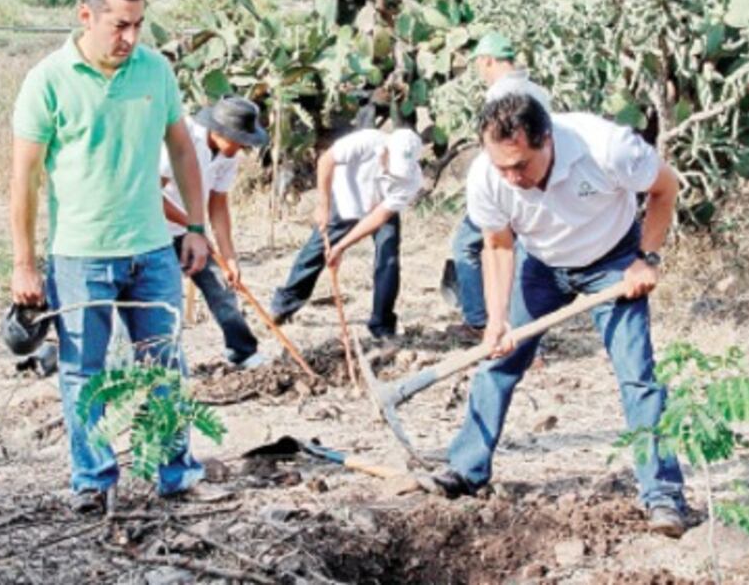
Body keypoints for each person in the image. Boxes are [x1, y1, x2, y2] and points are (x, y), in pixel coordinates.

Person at [430, 93, 689, 539]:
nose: (511, 178)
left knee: (637, 377)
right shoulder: (486, 178)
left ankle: (662, 494)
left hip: (612, 262)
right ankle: (466, 469)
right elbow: (497, 244)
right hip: (541, 264)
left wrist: (647, 258)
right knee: (499, 361)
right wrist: (496, 320)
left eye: (521, 166)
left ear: (547, 140)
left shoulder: (607, 147)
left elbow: (666, 187)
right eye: (501, 168)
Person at [9, 0, 211, 512]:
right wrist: (24, 263)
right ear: (85, 14)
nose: (131, 37)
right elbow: (24, 178)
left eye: (139, 24)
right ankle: (94, 482)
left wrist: (195, 226)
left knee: (166, 365)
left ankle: (175, 474)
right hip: (79, 257)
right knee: (83, 374)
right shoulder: (47, 80)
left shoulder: (154, 71)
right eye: (119, 25)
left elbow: (183, 151)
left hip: (151, 251)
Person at [270, 128, 422, 340]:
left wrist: (342, 247)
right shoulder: (366, 141)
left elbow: (378, 217)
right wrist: (323, 205)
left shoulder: (412, 180)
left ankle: (382, 325)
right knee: (315, 251)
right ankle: (282, 307)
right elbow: (326, 161)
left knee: (388, 261)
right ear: (385, 151)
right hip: (344, 201)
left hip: (378, 210)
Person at [449, 31, 551, 337]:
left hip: (504, 186)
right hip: (536, 182)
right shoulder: (537, 90)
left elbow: (499, 150)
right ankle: (522, 331)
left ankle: (479, 321)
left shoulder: (499, 96)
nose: (479, 72)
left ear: (487, 60)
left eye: (479, 64)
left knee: (466, 247)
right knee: (521, 256)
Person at [161, 96, 269, 369]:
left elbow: (218, 205)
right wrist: (192, 226)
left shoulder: (228, 153)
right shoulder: (180, 138)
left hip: (189, 231)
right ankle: (158, 367)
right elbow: (150, 194)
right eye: (239, 139)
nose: (243, 146)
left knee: (221, 288)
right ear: (219, 131)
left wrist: (230, 257)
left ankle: (243, 351)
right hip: (155, 232)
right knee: (162, 303)